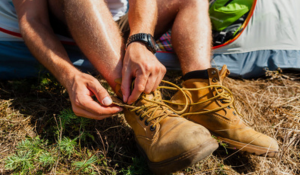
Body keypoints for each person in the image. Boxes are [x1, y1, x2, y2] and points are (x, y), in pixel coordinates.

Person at [1, 0, 278, 173]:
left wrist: (141, 39)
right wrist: (68, 75)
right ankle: (141, 105)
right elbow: (32, 18)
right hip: (74, 16)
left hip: (127, 18)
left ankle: (203, 98)